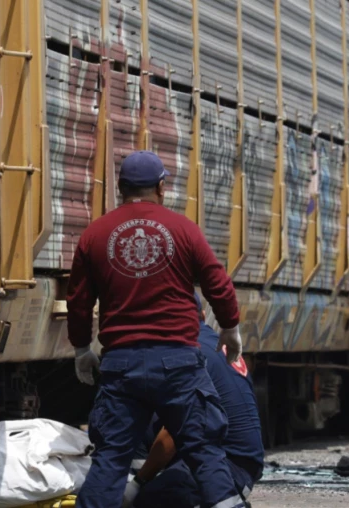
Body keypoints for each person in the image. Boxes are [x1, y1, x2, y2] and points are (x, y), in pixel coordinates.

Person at [66, 150, 246, 508]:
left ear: (120, 187)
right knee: (204, 451)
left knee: (111, 458)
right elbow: (217, 282)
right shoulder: (183, 229)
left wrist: (81, 349)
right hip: (178, 363)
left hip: (121, 366)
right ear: (162, 187)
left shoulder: (94, 235)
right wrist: (230, 327)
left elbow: (79, 301)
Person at [123, 293, 265, 507]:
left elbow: (173, 431)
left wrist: (138, 484)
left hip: (230, 467)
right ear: (202, 315)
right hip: (236, 458)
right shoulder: (212, 341)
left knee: (152, 499)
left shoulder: (186, 352)